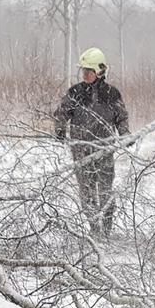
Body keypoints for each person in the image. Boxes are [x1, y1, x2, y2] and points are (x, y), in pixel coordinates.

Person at [55, 46, 130, 236]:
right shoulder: (75, 93)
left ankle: (106, 231)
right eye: (83, 71)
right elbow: (62, 114)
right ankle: (94, 231)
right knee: (87, 195)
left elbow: (121, 117)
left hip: (104, 150)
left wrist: (124, 134)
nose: (85, 74)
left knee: (105, 192)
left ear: (100, 71)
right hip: (81, 152)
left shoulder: (112, 94)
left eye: (88, 71)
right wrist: (60, 130)